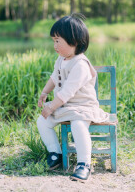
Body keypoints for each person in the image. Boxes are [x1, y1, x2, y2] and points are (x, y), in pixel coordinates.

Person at [36, 13, 109, 182]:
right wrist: (45, 92)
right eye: (53, 41)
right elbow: (55, 77)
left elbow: (67, 91)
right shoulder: (61, 59)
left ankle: (84, 164)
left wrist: (51, 106)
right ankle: (56, 153)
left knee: (78, 125)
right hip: (66, 107)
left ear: (74, 42)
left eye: (57, 41)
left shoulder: (81, 64)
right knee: (43, 122)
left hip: (83, 107)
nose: (54, 45)